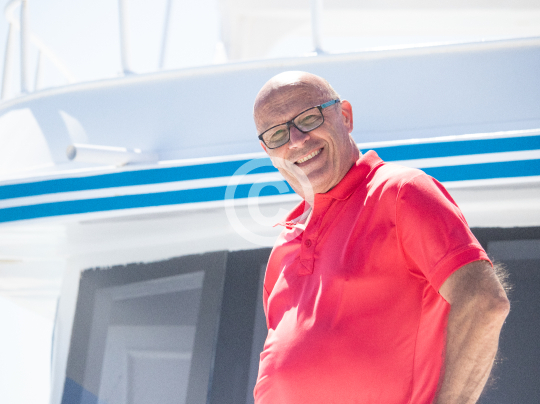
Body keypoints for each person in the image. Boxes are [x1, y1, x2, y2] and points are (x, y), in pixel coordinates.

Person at [252, 71, 510, 404]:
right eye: (277, 134)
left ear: (345, 116)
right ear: (269, 151)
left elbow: (482, 301)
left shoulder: (400, 191)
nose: (297, 140)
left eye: (308, 118)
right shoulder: (281, 251)